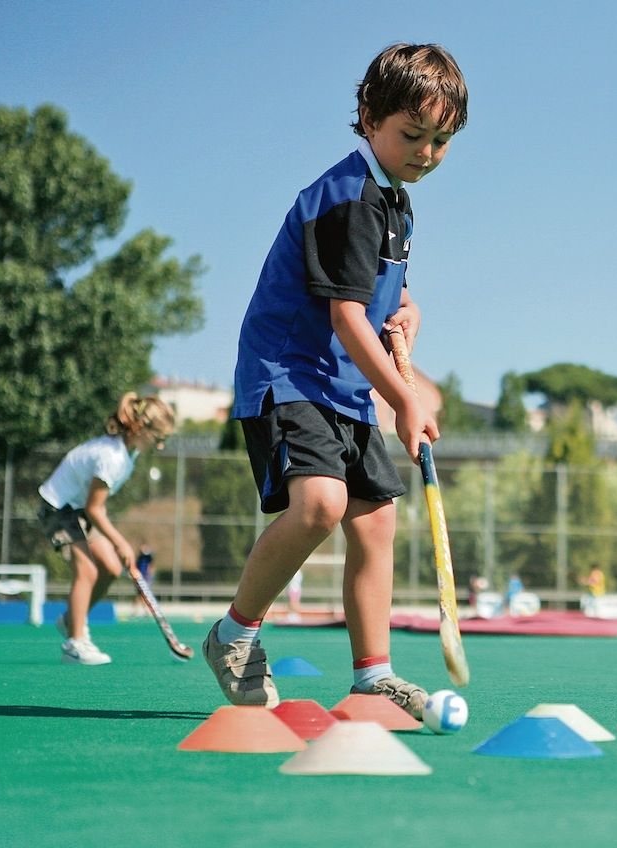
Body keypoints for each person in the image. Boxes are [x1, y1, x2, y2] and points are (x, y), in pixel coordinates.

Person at [205, 43, 468, 715]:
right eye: (412, 134)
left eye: (440, 140)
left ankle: (372, 675)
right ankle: (235, 633)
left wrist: (409, 312)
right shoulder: (348, 198)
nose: (426, 152)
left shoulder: (396, 206)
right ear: (368, 115)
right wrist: (404, 399)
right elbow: (347, 314)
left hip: (341, 386)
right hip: (288, 376)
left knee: (375, 521)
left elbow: (384, 300)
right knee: (320, 503)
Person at [37, 393, 176, 664]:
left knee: (111, 568)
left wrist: (116, 545)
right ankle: (75, 643)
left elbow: (91, 508)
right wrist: (121, 542)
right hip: (58, 506)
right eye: (159, 439)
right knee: (87, 570)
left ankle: (70, 621)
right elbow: (94, 508)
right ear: (140, 428)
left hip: (77, 509)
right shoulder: (112, 457)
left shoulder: (128, 452)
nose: (160, 446)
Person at [132, 543, 155, 618]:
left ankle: (146, 611)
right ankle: (137, 611)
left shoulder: (148, 557)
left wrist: (149, 576)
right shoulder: (139, 558)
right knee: (139, 596)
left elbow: (151, 557)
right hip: (139, 578)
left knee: (143, 596)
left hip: (145, 578)